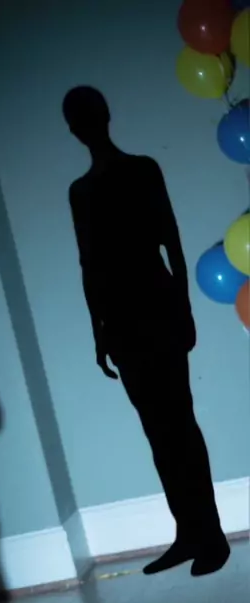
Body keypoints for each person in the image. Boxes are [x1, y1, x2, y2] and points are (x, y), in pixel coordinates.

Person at [63, 86, 230, 577]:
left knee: (179, 425)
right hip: (123, 322)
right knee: (159, 433)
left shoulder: (142, 170)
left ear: (102, 117)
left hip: (156, 311)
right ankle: (189, 533)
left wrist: (184, 309)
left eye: (87, 116)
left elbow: (170, 240)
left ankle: (212, 537)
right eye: (79, 120)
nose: (85, 126)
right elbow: (88, 265)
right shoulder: (81, 191)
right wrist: (98, 331)